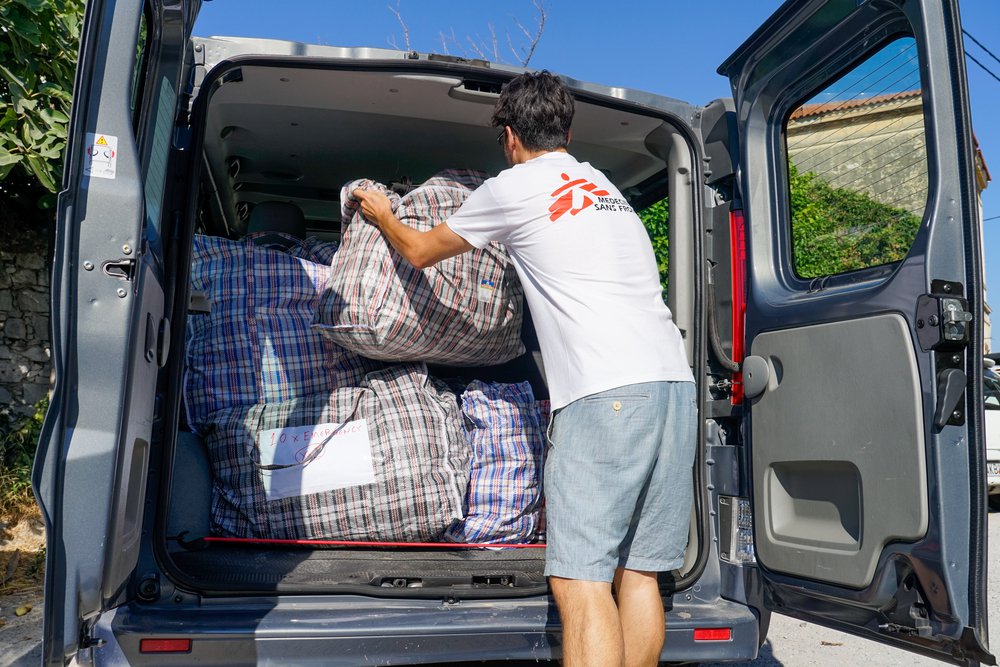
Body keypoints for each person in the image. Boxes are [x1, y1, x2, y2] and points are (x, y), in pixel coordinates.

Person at [352, 70, 697, 667]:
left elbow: (419, 252)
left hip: (603, 393)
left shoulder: (513, 187)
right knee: (639, 574)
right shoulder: (604, 187)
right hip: (674, 386)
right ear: (567, 129)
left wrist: (383, 212)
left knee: (580, 581)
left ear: (510, 137)